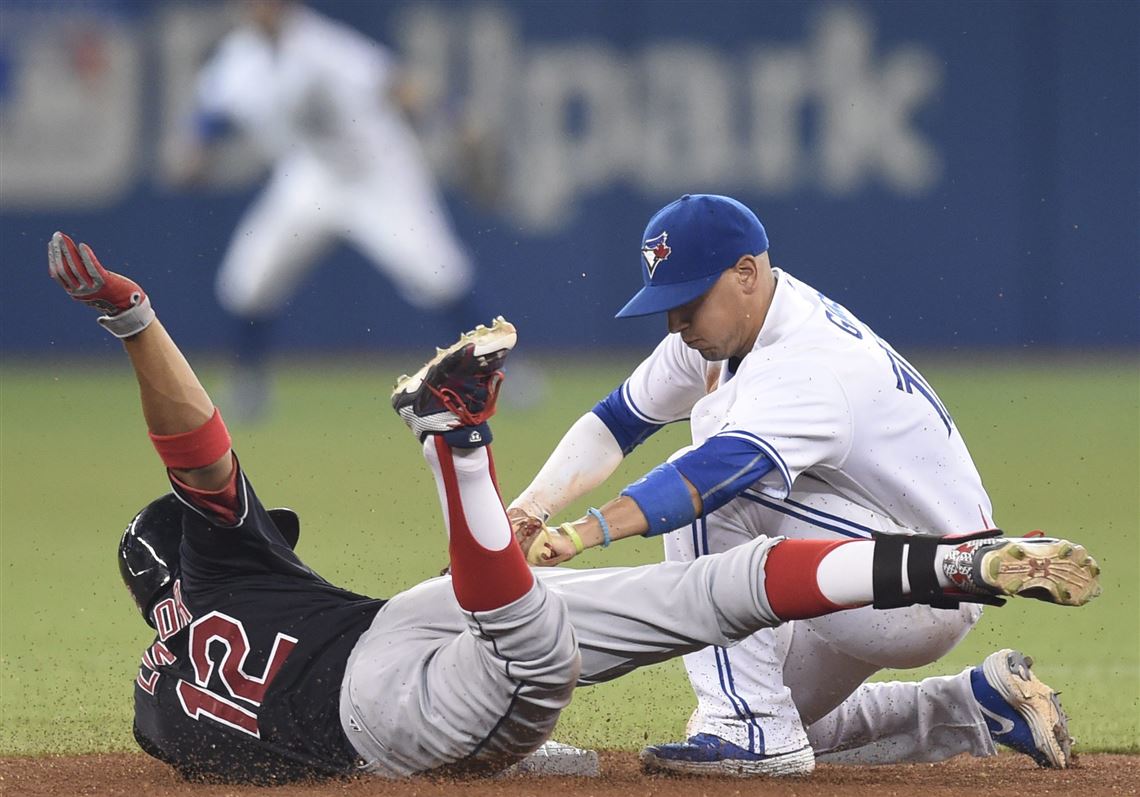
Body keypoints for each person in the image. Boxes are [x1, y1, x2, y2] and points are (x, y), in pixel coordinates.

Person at [47, 231, 1100, 783]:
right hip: (395, 632)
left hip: (381, 711)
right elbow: (195, 444)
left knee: (555, 649)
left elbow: (261, 766)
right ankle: (968, 643)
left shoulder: (156, 713)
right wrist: (134, 320)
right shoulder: (221, 558)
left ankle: (457, 449)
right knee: (703, 598)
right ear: (182, 563)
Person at [508, 194, 1098, 775]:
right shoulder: (728, 333)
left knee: (719, 501)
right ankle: (979, 705)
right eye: (668, 304)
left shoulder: (808, 363)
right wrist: (529, 509)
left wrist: (584, 532)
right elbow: (617, 422)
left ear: (746, 273)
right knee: (795, 720)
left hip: (928, 578)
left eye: (689, 300)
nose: (676, 322)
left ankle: (750, 727)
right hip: (872, 558)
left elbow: (711, 477)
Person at [172, 0, 486, 420]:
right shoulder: (239, 56)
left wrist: (455, 116)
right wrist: (195, 148)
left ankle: (498, 372)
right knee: (249, 280)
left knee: (437, 274)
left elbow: (397, 83)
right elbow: (211, 111)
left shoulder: (322, 44)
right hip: (312, 176)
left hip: (377, 172)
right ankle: (249, 385)